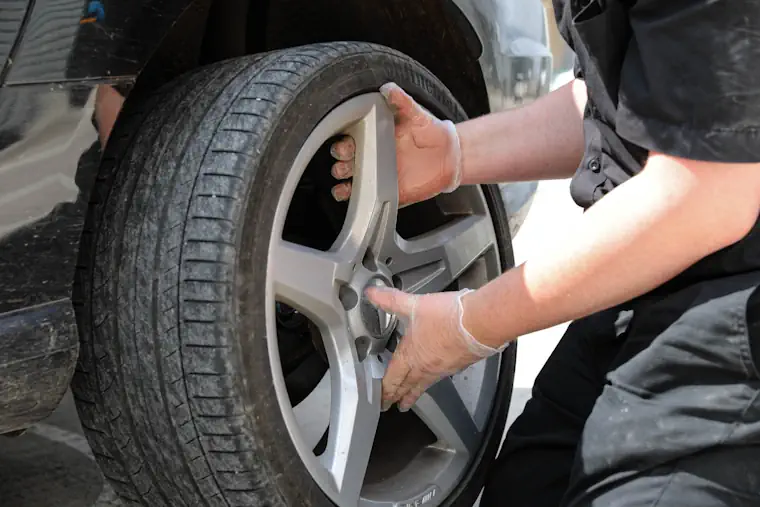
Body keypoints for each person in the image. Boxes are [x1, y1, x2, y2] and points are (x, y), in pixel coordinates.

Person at [330, 1, 760, 505]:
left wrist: (472, 324)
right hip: (654, 275)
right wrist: (454, 153)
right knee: (529, 485)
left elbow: (707, 193)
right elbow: (627, 96)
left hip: (736, 298)